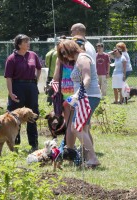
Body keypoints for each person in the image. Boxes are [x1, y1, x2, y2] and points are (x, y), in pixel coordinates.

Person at [57, 39, 101, 168]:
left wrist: (77, 95)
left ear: (71, 47)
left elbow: (87, 78)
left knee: (76, 128)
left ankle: (93, 158)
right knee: (84, 129)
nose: (64, 56)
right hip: (84, 96)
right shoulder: (78, 59)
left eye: (64, 52)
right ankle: (88, 158)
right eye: (62, 54)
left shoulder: (82, 58)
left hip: (89, 96)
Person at [4, 34, 42, 152]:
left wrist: (36, 80)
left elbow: (39, 68)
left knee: (32, 114)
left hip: (31, 86)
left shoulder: (33, 55)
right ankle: (15, 144)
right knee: (15, 116)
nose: (28, 43)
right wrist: (10, 92)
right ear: (19, 44)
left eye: (28, 41)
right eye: (25, 42)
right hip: (17, 86)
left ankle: (34, 144)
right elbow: (8, 77)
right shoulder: (12, 58)